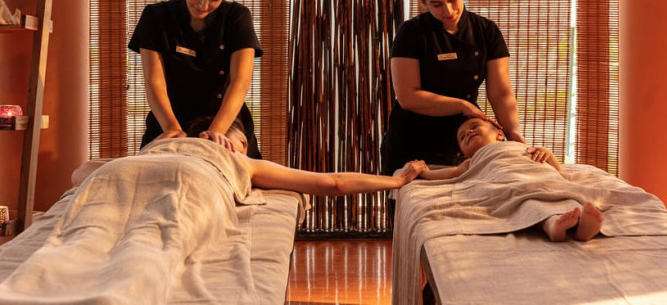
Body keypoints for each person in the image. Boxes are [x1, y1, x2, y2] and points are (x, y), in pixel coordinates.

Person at [381, 0, 526, 178]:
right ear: (424, 3)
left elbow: (501, 93)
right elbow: (408, 96)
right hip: (412, 141)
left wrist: (513, 133)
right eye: (437, 4)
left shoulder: (486, 32)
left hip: (462, 142)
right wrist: (462, 105)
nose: (448, 10)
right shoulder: (411, 34)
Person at [128, 0, 264, 156]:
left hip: (225, 122)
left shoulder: (237, 17)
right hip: (169, 120)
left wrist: (215, 133)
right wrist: (171, 128)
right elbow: (155, 82)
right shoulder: (156, 17)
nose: (203, 4)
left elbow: (240, 81)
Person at [73, 118, 429, 195]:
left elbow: (331, 182)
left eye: (243, 146)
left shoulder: (240, 164)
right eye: (240, 141)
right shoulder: (168, 146)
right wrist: (155, 148)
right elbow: (332, 183)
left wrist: (396, 180)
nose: (240, 148)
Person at [420, 116, 603, 242]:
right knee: (527, 202)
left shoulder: (520, 146)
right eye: (462, 137)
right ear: (465, 153)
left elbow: (558, 170)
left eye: (474, 127)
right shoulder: (473, 160)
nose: (468, 132)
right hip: (508, 179)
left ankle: (582, 227)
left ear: (499, 134)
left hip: (538, 173)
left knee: (561, 192)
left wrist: (546, 153)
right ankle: (552, 225)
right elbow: (452, 173)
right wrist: (424, 172)